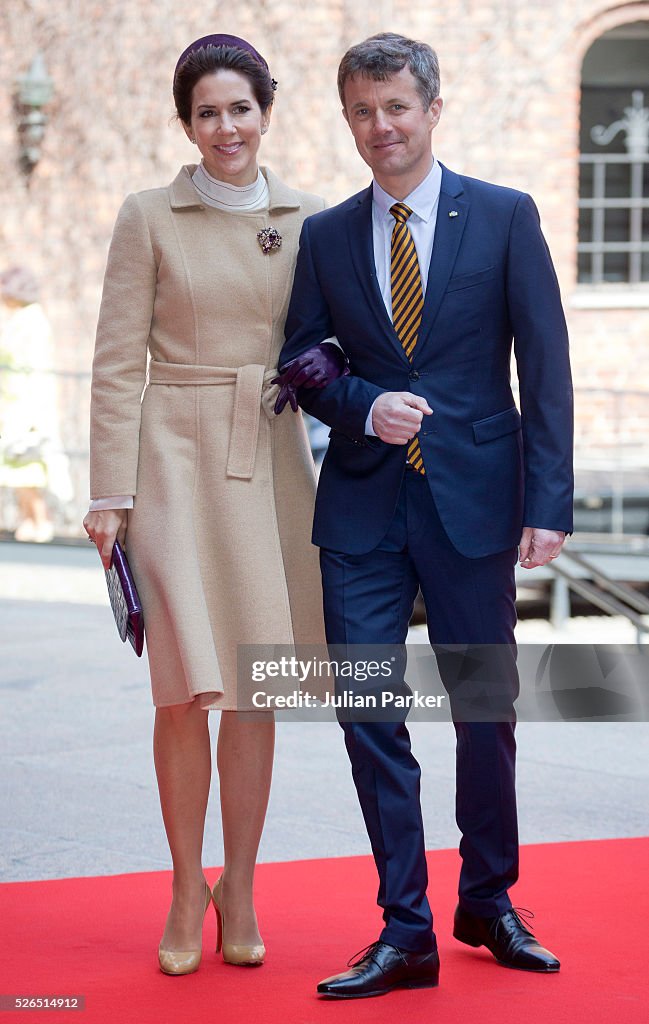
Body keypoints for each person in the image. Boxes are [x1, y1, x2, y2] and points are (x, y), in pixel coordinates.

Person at [277, 32, 573, 998]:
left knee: (482, 710)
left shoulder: (501, 215)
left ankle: (487, 899)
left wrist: (549, 502)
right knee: (368, 711)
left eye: (395, 107)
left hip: (476, 504)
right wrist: (361, 403)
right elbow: (303, 361)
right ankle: (404, 930)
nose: (380, 127)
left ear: (431, 108)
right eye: (362, 110)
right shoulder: (325, 235)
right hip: (362, 510)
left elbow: (547, 364)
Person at [83, 34, 343, 976]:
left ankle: (240, 881)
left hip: (267, 449)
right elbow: (117, 358)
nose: (224, 128)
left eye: (239, 108)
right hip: (172, 459)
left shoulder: (312, 214)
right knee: (185, 685)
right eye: (206, 112)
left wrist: (334, 366)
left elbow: (343, 332)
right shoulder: (148, 214)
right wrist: (109, 493)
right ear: (186, 123)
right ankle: (185, 882)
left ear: (265, 110)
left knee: (254, 684)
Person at [0, 266, 71, 542]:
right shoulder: (22, 320)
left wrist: (33, 414)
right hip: (13, 404)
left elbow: (36, 368)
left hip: (24, 406)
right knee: (17, 467)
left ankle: (40, 520)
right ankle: (28, 518)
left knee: (26, 468)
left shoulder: (33, 322)